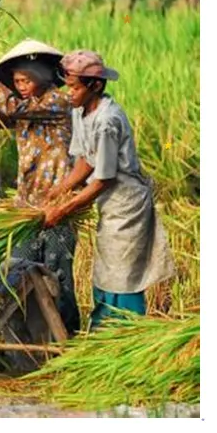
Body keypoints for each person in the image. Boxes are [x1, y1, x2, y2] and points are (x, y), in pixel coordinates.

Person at [43, 50, 175, 330]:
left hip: (126, 205)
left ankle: (125, 333)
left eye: (76, 88)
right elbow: (86, 160)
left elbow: (103, 178)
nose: (70, 93)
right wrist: (60, 190)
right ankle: (104, 331)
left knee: (123, 272)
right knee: (106, 268)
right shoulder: (80, 111)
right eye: (68, 86)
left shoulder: (108, 121)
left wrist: (64, 209)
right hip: (108, 202)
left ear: (96, 86)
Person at [0, 39, 81, 335]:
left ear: (40, 76)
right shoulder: (26, 112)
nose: (21, 85)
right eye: (16, 81)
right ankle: (34, 341)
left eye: (25, 79)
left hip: (57, 206)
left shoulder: (56, 102)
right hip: (27, 206)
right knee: (23, 271)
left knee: (57, 275)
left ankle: (68, 338)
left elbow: (11, 106)